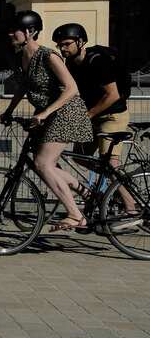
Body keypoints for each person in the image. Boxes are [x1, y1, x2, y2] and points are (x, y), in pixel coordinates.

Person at [0, 10, 93, 230]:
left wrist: (44, 112)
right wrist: (9, 111)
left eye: (16, 31)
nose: (11, 34)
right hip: (49, 115)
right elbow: (23, 86)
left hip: (67, 113)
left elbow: (72, 89)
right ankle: (90, 195)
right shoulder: (23, 57)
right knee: (46, 164)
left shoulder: (48, 56)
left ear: (30, 32)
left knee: (43, 163)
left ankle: (75, 215)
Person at [53, 23, 139, 218]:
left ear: (80, 41)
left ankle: (131, 206)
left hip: (112, 115)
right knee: (79, 156)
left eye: (66, 44)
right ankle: (114, 187)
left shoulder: (98, 61)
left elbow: (113, 95)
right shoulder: (72, 64)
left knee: (110, 163)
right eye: (60, 45)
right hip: (93, 116)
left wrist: (89, 114)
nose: (63, 48)